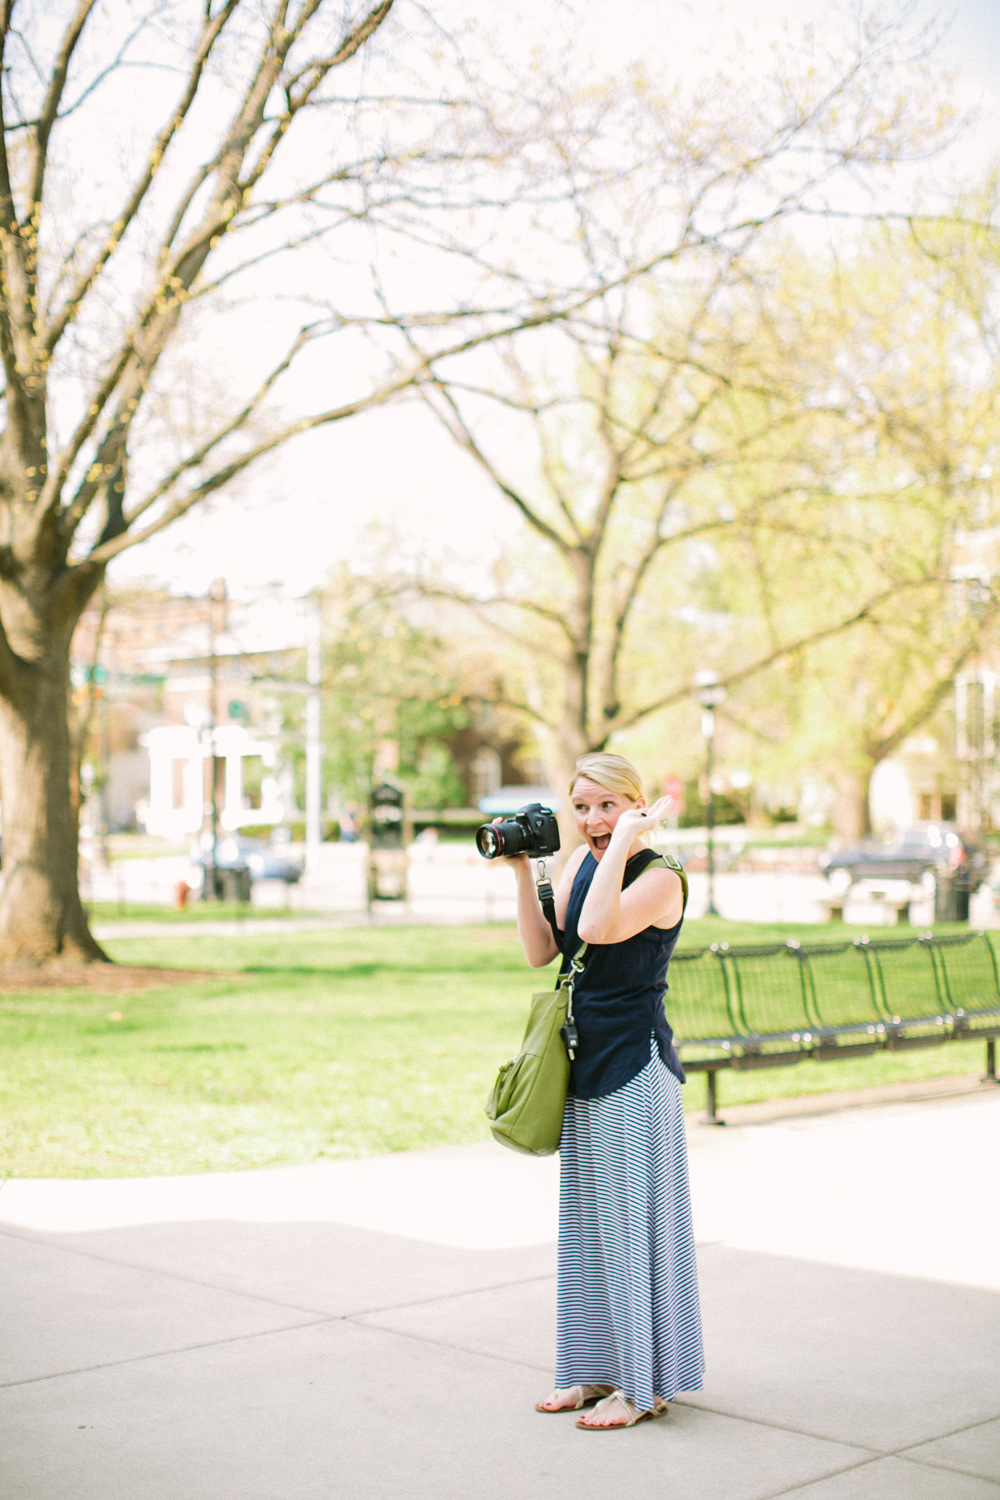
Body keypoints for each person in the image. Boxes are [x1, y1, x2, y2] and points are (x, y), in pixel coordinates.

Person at [502, 752, 704, 1431]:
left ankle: (642, 1388)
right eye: (581, 806)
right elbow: (543, 951)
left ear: (636, 806)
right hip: (583, 1064)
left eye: (607, 806)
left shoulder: (660, 878)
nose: (591, 820)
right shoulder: (581, 863)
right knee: (587, 1231)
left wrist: (623, 844)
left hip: (634, 1068)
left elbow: (596, 929)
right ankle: (589, 1373)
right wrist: (522, 875)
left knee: (628, 1232)